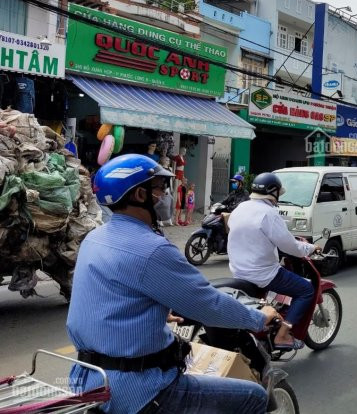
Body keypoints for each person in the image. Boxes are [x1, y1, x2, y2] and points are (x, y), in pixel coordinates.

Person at [66, 154, 278, 414]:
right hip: (140, 390)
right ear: (140, 196)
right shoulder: (152, 249)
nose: (165, 195)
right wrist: (259, 318)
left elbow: (106, 295)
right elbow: (208, 304)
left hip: (88, 380)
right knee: (253, 396)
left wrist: (153, 310)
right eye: (159, 188)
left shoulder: (94, 238)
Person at [228, 172, 320, 350]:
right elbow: (290, 247)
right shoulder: (269, 213)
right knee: (306, 290)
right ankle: (282, 334)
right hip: (263, 274)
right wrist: (311, 248)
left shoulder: (240, 208)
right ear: (273, 192)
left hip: (238, 272)